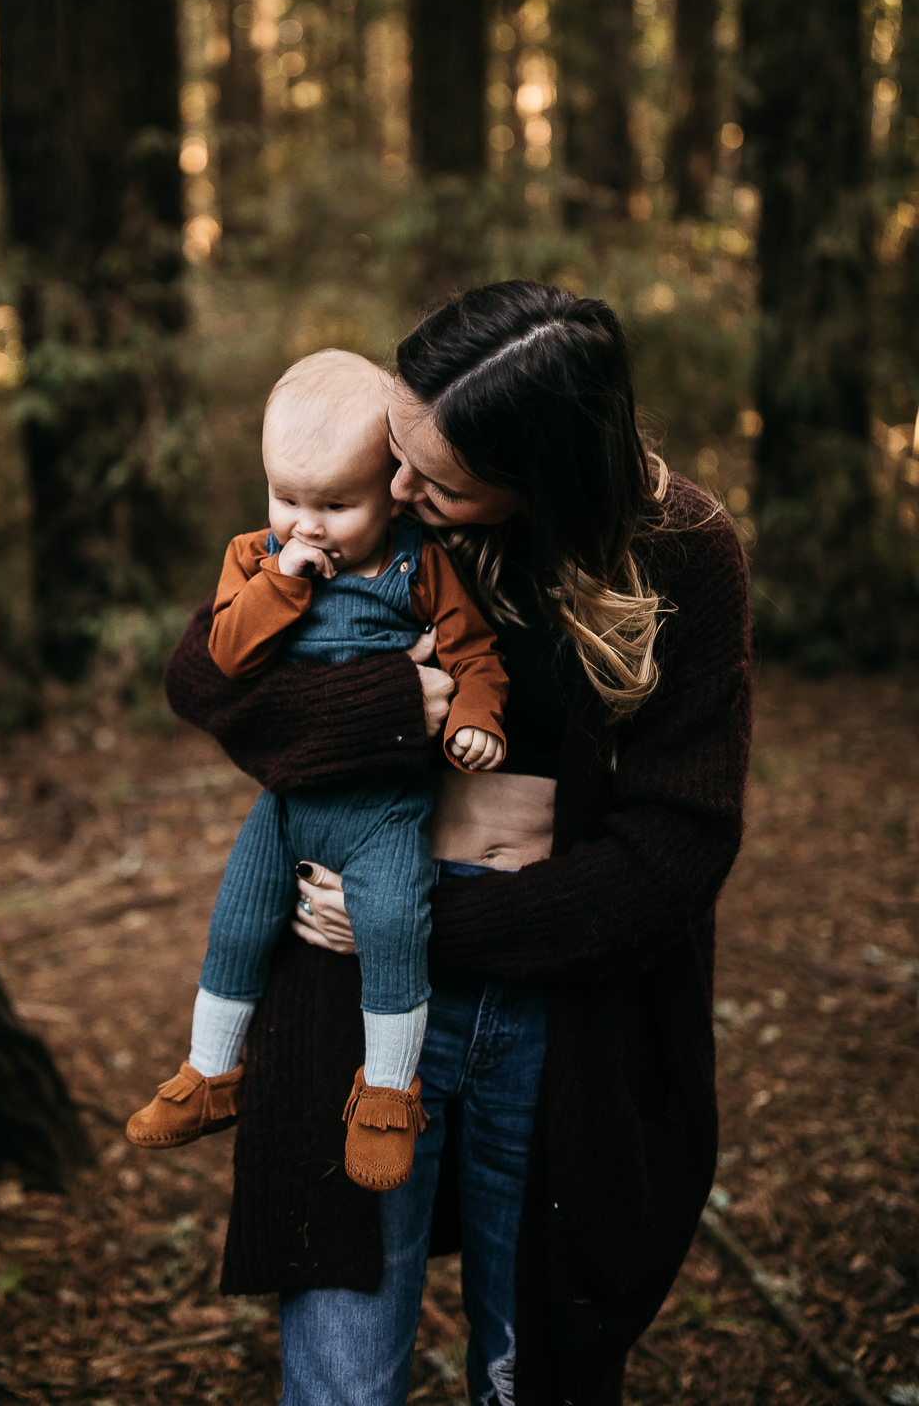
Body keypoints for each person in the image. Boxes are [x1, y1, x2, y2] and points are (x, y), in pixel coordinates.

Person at [163, 280, 752, 1406]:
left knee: (529, 1362)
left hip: (563, 1010)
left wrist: (445, 926)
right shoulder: (386, 519)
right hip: (349, 991)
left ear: (542, 475)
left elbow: (679, 846)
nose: (394, 490)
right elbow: (206, 680)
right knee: (343, 1365)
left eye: (437, 478)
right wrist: (392, 706)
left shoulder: (682, 552)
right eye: (400, 450)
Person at [128, 349, 509, 1191]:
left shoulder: (419, 564)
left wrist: (476, 715)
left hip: (383, 812)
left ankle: (387, 1092)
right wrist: (282, 584)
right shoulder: (256, 559)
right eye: (287, 498)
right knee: (237, 921)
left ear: (389, 489)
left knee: (393, 934)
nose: (306, 522)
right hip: (289, 804)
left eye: (336, 504)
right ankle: (209, 1072)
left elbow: (474, 652)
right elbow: (221, 659)